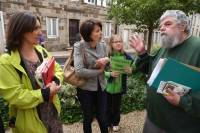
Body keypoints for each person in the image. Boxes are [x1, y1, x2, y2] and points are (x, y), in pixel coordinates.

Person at [129, 10, 200, 133]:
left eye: (167, 24)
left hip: (180, 126)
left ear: (182, 26)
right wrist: (142, 53)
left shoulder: (197, 47)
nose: (161, 28)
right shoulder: (165, 47)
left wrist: (181, 101)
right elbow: (152, 71)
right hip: (154, 119)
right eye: (160, 26)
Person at [0, 11, 63, 133]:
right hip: (30, 124)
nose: (40, 32)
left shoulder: (41, 51)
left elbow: (58, 69)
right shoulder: (6, 61)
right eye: (36, 28)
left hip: (52, 116)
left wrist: (55, 80)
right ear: (21, 31)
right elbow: (15, 96)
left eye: (40, 27)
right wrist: (45, 94)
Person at [74, 19, 109, 133]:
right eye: (97, 31)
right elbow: (79, 71)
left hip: (101, 87)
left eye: (100, 30)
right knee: (88, 117)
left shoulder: (103, 46)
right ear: (88, 33)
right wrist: (98, 69)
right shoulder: (79, 46)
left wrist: (107, 62)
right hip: (85, 89)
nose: (101, 33)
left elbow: (107, 67)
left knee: (103, 117)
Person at [105, 34, 133, 132]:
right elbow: (100, 72)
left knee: (116, 107)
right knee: (107, 106)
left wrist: (130, 70)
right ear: (111, 44)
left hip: (119, 86)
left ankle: (115, 123)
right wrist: (109, 74)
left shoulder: (127, 56)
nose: (118, 43)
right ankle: (108, 123)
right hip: (107, 86)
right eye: (115, 42)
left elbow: (132, 70)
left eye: (120, 41)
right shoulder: (107, 56)